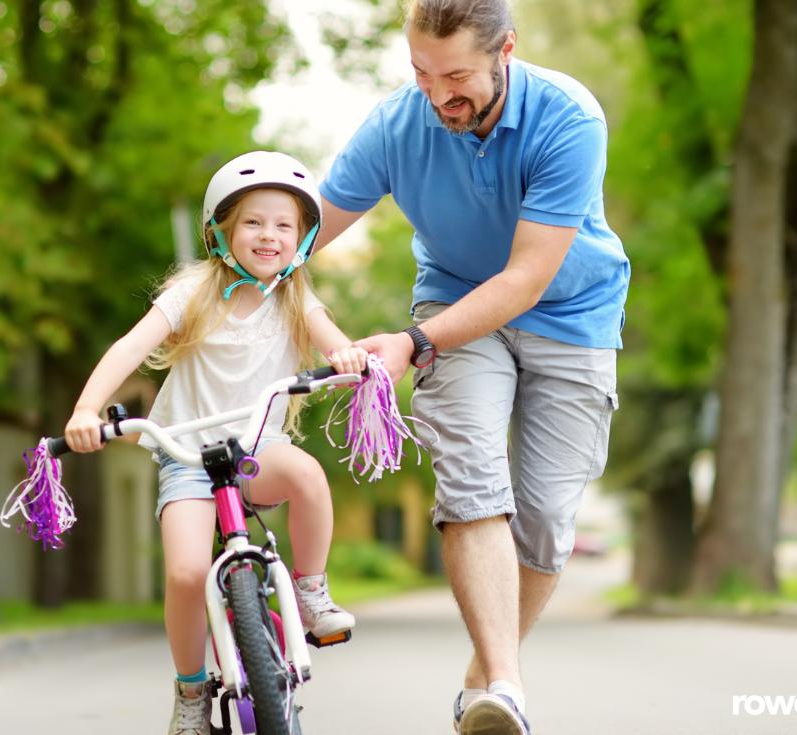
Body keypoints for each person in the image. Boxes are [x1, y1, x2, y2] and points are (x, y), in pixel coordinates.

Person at [312, 2, 630, 733]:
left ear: (506, 51)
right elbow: (306, 227)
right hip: (454, 303)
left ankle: (484, 673)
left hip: (569, 313)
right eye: (421, 73)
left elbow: (524, 280)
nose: (437, 95)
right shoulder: (397, 125)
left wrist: (411, 344)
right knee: (471, 478)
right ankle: (506, 689)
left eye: (456, 76)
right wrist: (231, 267)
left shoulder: (569, 118)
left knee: (547, 516)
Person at [62, 151, 368, 735]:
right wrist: (86, 408)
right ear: (222, 231)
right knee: (183, 574)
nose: (269, 235)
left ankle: (309, 592)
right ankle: (191, 690)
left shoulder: (295, 297)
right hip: (187, 457)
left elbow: (335, 344)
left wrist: (348, 356)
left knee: (307, 475)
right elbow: (130, 347)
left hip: (258, 449)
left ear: (303, 238)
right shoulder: (194, 291)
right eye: (254, 222)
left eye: (285, 225)